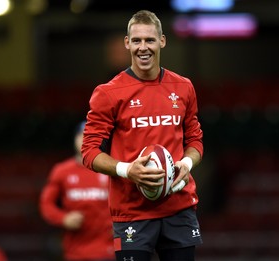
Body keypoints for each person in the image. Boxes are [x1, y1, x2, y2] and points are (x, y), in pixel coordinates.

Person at [81, 10, 204, 261]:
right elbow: (89, 152)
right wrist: (128, 170)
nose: (143, 47)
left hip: (179, 208)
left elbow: (194, 140)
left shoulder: (184, 87)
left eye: (149, 40)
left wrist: (186, 163)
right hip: (132, 213)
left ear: (162, 41)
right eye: (136, 41)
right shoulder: (108, 93)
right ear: (127, 43)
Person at [39, 121, 115, 261]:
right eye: (81, 135)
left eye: (89, 135)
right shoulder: (61, 171)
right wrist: (63, 218)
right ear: (74, 139)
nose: (84, 139)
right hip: (76, 252)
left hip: (109, 250)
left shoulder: (111, 167)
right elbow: (46, 204)